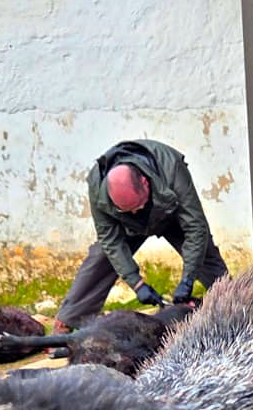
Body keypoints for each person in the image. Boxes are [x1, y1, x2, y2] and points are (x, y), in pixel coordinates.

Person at [54, 139, 229, 329]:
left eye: (137, 205)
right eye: (128, 208)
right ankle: (67, 320)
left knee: (204, 253)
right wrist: (137, 284)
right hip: (128, 225)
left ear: (145, 183)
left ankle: (236, 305)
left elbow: (195, 226)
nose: (135, 211)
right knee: (100, 258)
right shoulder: (97, 184)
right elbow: (110, 240)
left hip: (171, 214)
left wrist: (188, 279)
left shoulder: (171, 167)